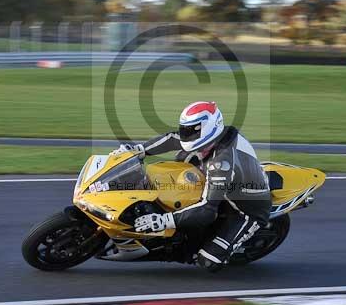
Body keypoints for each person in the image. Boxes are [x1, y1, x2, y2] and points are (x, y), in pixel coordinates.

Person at [111, 101, 271, 272]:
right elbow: (173, 139)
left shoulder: (221, 164)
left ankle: (220, 245)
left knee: (208, 261)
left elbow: (207, 209)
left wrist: (165, 220)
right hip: (226, 187)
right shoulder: (213, 138)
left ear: (209, 128)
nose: (185, 135)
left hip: (246, 210)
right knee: (181, 162)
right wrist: (138, 150)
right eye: (185, 129)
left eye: (191, 131)